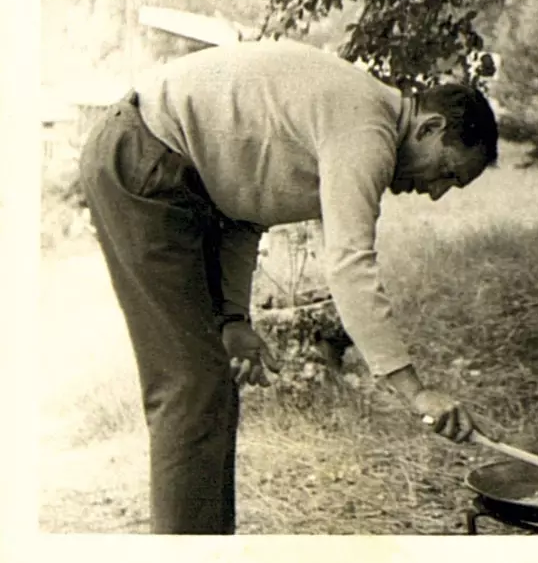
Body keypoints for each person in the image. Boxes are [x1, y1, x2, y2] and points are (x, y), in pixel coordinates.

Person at [77, 38, 500, 534]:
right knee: (190, 389)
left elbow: (244, 207)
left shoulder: (358, 120)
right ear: (431, 127)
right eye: (448, 173)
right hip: (142, 157)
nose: (435, 192)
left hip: (168, 169)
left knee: (210, 387)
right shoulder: (367, 128)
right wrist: (415, 391)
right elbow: (350, 264)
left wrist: (233, 318)